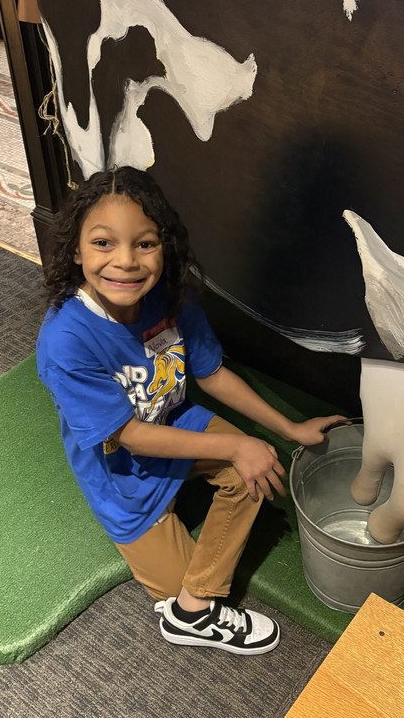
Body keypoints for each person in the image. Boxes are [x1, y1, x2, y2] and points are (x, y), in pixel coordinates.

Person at [36, 167, 344, 655]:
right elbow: (130, 436)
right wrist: (234, 443)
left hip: (175, 421)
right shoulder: (64, 340)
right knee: (181, 582)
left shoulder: (171, 298)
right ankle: (188, 615)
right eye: (102, 243)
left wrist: (289, 428)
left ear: (165, 246)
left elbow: (211, 373)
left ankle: (192, 608)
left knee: (255, 468)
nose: (125, 262)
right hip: (122, 474)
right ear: (76, 250)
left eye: (144, 243)